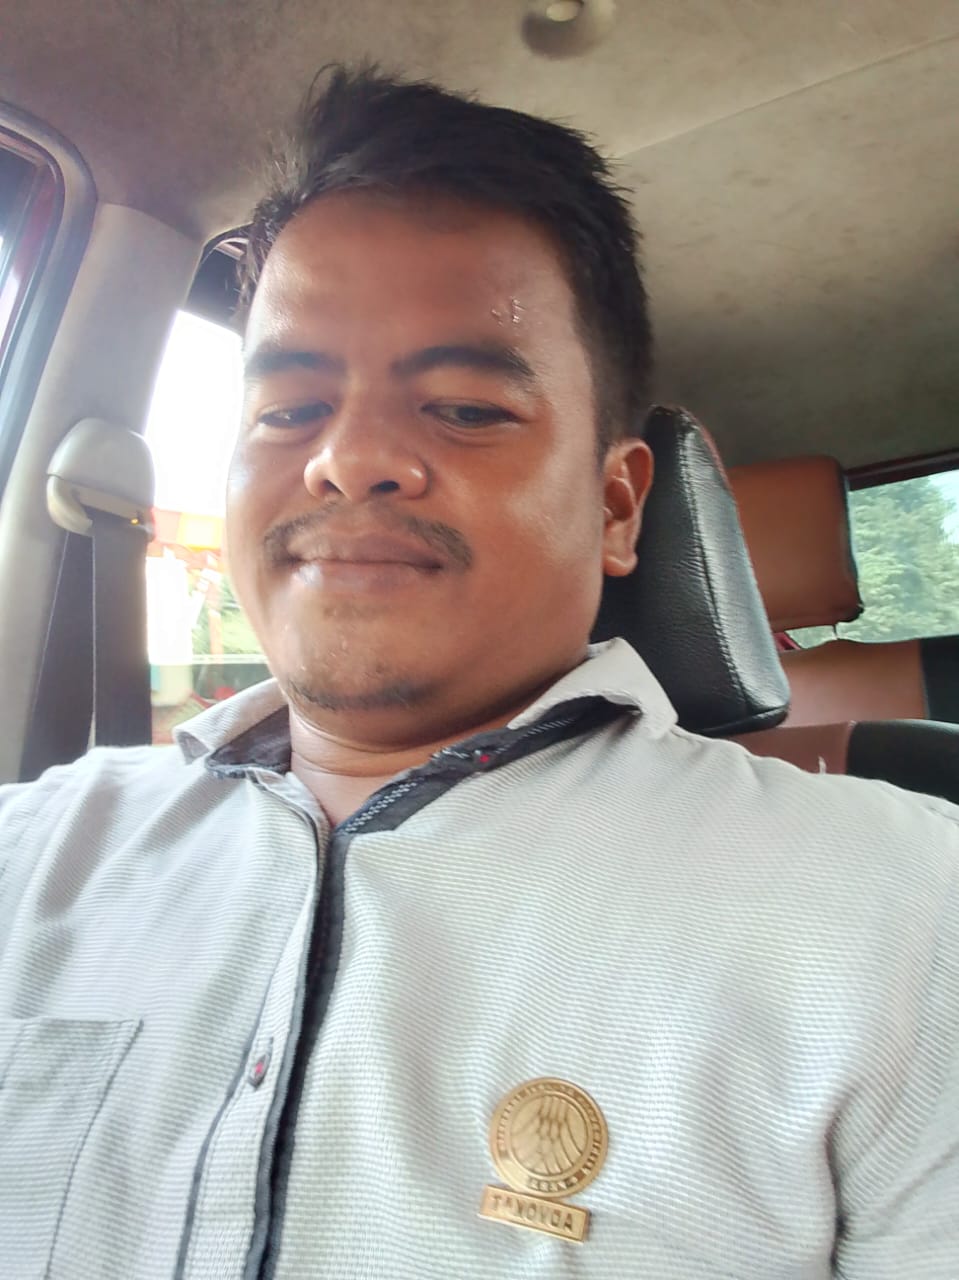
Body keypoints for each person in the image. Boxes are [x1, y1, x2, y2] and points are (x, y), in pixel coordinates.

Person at [0, 65, 956, 1280]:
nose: (347, 458)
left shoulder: (902, 915)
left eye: (462, 407)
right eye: (286, 409)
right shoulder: (32, 856)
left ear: (616, 507)